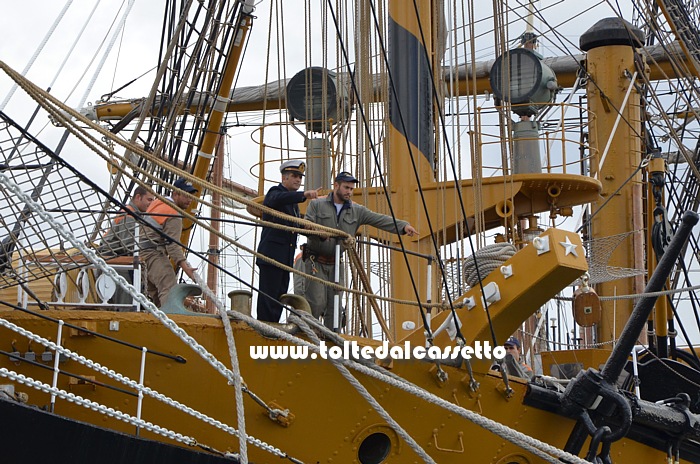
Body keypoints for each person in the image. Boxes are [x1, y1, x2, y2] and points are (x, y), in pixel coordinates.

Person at [303, 171, 418, 329]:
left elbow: (379, 219)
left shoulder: (357, 211)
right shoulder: (316, 204)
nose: (349, 191)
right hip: (315, 262)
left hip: (337, 263)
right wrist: (319, 233)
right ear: (336, 186)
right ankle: (310, 338)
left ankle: (331, 341)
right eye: (346, 187)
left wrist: (403, 226)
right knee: (316, 303)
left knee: (335, 306)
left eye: (351, 188)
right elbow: (306, 225)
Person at [256, 160, 320, 322]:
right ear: (284, 178)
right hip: (271, 257)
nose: (298, 180)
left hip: (284, 258)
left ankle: (273, 326)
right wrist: (304, 195)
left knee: (279, 297)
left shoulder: (292, 205)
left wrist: (316, 231)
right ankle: (265, 326)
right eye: (294, 176)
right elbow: (276, 199)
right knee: (268, 297)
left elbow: (296, 225)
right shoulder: (275, 192)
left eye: (300, 177)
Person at [140, 177, 199, 308]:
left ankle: (159, 319)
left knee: (157, 293)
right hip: (153, 253)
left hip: (140, 253)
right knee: (169, 286)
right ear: (176, 193)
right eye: (186, 195)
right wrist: (186, 269)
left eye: (192, 196)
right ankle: (170, 321)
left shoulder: (158, 203)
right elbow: (173, 246)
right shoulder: (173, 214)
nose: (190, 200)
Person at [97, 185, 154, 306]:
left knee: (130, 292)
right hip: (112, 259)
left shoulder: (134, 214)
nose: (151, 203)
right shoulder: (128, 216)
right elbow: (128, 244)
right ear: (138, 197)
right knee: (127, 295)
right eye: (149, 199)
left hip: (114, 258)